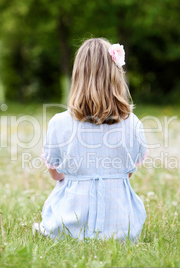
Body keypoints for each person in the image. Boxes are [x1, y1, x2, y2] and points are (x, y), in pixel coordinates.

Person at [35, 38, 148, 242]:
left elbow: (56, 174)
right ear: (116, 75)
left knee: (61, 199)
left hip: (68, 224)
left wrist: (80, 176)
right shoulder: (133, 123)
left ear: (77, 76)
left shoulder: (59, 123)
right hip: (123, 229)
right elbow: (128, 173)